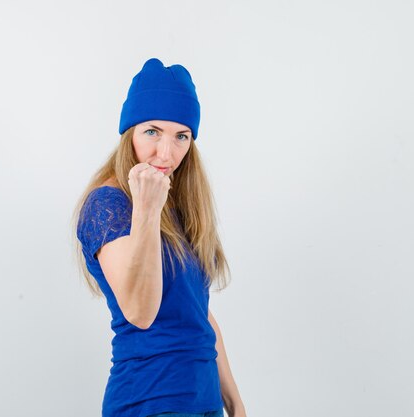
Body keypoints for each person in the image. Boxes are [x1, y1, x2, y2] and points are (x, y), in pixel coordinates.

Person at [72, 58, 246, 417]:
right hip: (150, 400)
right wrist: (147, 210)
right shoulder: (109, 204)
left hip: (204, 400)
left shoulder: (178, 204)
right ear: (129, 133)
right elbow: (140, 312)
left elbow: (198, 313)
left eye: (181, 136)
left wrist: (235, 404)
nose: (166, 153)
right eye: (152, 131)